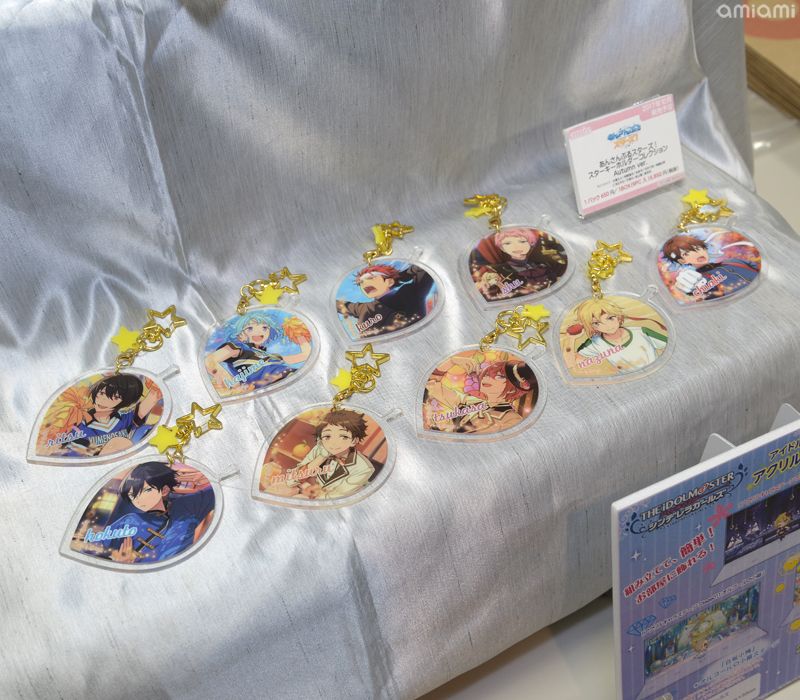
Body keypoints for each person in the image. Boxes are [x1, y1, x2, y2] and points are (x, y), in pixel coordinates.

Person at [94, 461, 215, 564]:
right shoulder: (129, 521)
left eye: (146, 490)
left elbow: (216, 490)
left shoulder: (188, 505)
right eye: (132, 495)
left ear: (164, 490)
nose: (138, 500)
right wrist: (117, 561)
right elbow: (95, 550)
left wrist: (207, 477)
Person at [263, 409, 376, 500]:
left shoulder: (364, 468)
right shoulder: (321, 449)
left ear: (354, 440)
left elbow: (336, 497)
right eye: (327, 436)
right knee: (278, 490)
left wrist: (312, 494)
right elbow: (295, 478)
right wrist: (321, 457)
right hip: (310, 495)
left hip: (332, 506)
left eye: (343, 437)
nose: (334, 442)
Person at [205, 310, 311, 394]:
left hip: (293, 379)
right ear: (240, 333)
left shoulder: (269, 356)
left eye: (264, 328)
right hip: (269, 389)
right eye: (250, 328)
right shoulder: (238, 347)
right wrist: (233, 386)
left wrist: (298, 334)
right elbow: (210, 361)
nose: (258, 332)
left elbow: (305, 355)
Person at [66, 374, 160, 457]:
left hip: (125, 463)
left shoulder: (124, 419)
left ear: (124, 401)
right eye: (102, 393)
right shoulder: (79, 425)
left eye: (115, 397)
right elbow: (73, 454)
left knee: (121, 442)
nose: (104, 400)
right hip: (95, 467)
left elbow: (150, 400)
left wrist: (155, 388)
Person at [336, 262, 435, 338]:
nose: (364, 284)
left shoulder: (408, 293)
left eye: (371, 278)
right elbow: (336, 305)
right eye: (361, 282)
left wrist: (401, 276)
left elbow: (426, 268)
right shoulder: (362, 308)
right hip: (373, 354)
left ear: (389, 281)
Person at [571, 299, 667, 375]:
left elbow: (670, 348)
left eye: (610, 318)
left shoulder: (642, 332)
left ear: (618, 316)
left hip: (658, 373)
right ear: (591, 326)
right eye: (597, 323)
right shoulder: (595, 343)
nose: (608, 326)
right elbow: (573, 363)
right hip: (630, 383)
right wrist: (570, 339)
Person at [470, 227, 567, 300]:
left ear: (531, 243)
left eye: (522, 241)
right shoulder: (497, 270)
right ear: (502, 248)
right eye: (508, 243)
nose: (516, 247)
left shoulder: (543, 265)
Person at [662, 234, 759, 300]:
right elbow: (696, 294)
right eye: (686, 253)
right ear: (682, 261)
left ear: (704, 248)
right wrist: (685, 288)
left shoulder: (734, 261)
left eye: (698, 248)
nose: (697, 253)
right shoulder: (696, 281)